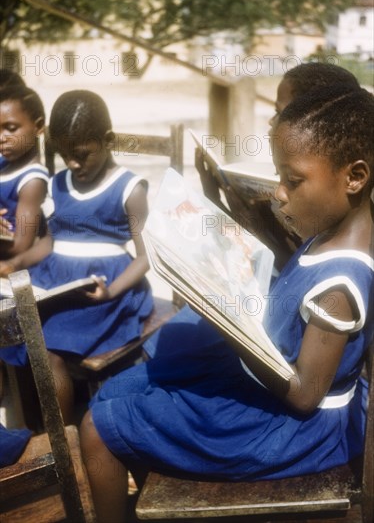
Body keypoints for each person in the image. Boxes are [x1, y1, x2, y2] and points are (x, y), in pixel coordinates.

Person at [79, 85, 373, 523]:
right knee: (119, 391)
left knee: (97, 428)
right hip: (269, 398)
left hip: (289, 432)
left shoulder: (341, 285)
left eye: (292, 180)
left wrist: (230, 325)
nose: (279, 192)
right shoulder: (328, 230)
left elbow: (305, 395)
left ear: (355, 177)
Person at [0, 90, 153, 424]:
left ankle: (64, 437)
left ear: (108, 141)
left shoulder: (128, 188)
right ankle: (33, 425)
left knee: (48, 349)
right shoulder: (59, 183)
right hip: (56, 279)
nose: (73, 163)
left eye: (82, 154)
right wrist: (15, 264)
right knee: (14, 325)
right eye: (65, 154)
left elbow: (145, 259)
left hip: (103, 286)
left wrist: (111, 291)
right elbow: (49, 243)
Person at [196, 62, 362, 271]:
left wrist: (255, 228)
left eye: (280, 112)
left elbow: (295, 269)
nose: (271, 121)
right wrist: (213, 196)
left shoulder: (329, 201)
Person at [0, 85, 48, 261]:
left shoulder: (32, 180)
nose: (1, 138)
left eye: (10, 128)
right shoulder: (3, 165)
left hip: (16, 269)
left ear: (38, 126)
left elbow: (21, 246)